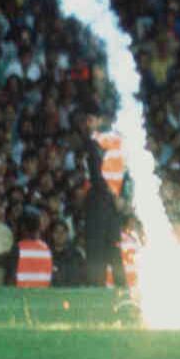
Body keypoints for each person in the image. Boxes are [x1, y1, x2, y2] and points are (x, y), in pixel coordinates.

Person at [80, 102, 127, 288]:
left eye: (90, 119)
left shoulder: (97, 143)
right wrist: (119, 197)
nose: (87, 124)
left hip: (102, 200)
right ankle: (118, 290)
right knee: (108, 247)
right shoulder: (107, 143)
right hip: (108, 199)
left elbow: (97, 176)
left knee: (101, 248)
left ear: (99, 121)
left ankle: (103, 289)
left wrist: (117, 196)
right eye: (85, 120)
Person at [9, 212, 53, 288]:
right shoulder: (46, 248)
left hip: (22, 296)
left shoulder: (18, 248)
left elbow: (11, 278)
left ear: (22, 228)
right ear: (39, 227)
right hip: (42, 295)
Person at [49, 219, 85, 287]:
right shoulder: (46, 255)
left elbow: (83, 278)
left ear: (67, 234)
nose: (60, 235)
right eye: (56, 232)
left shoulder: (76, 255)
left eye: (63, 232)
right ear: (51, 234)